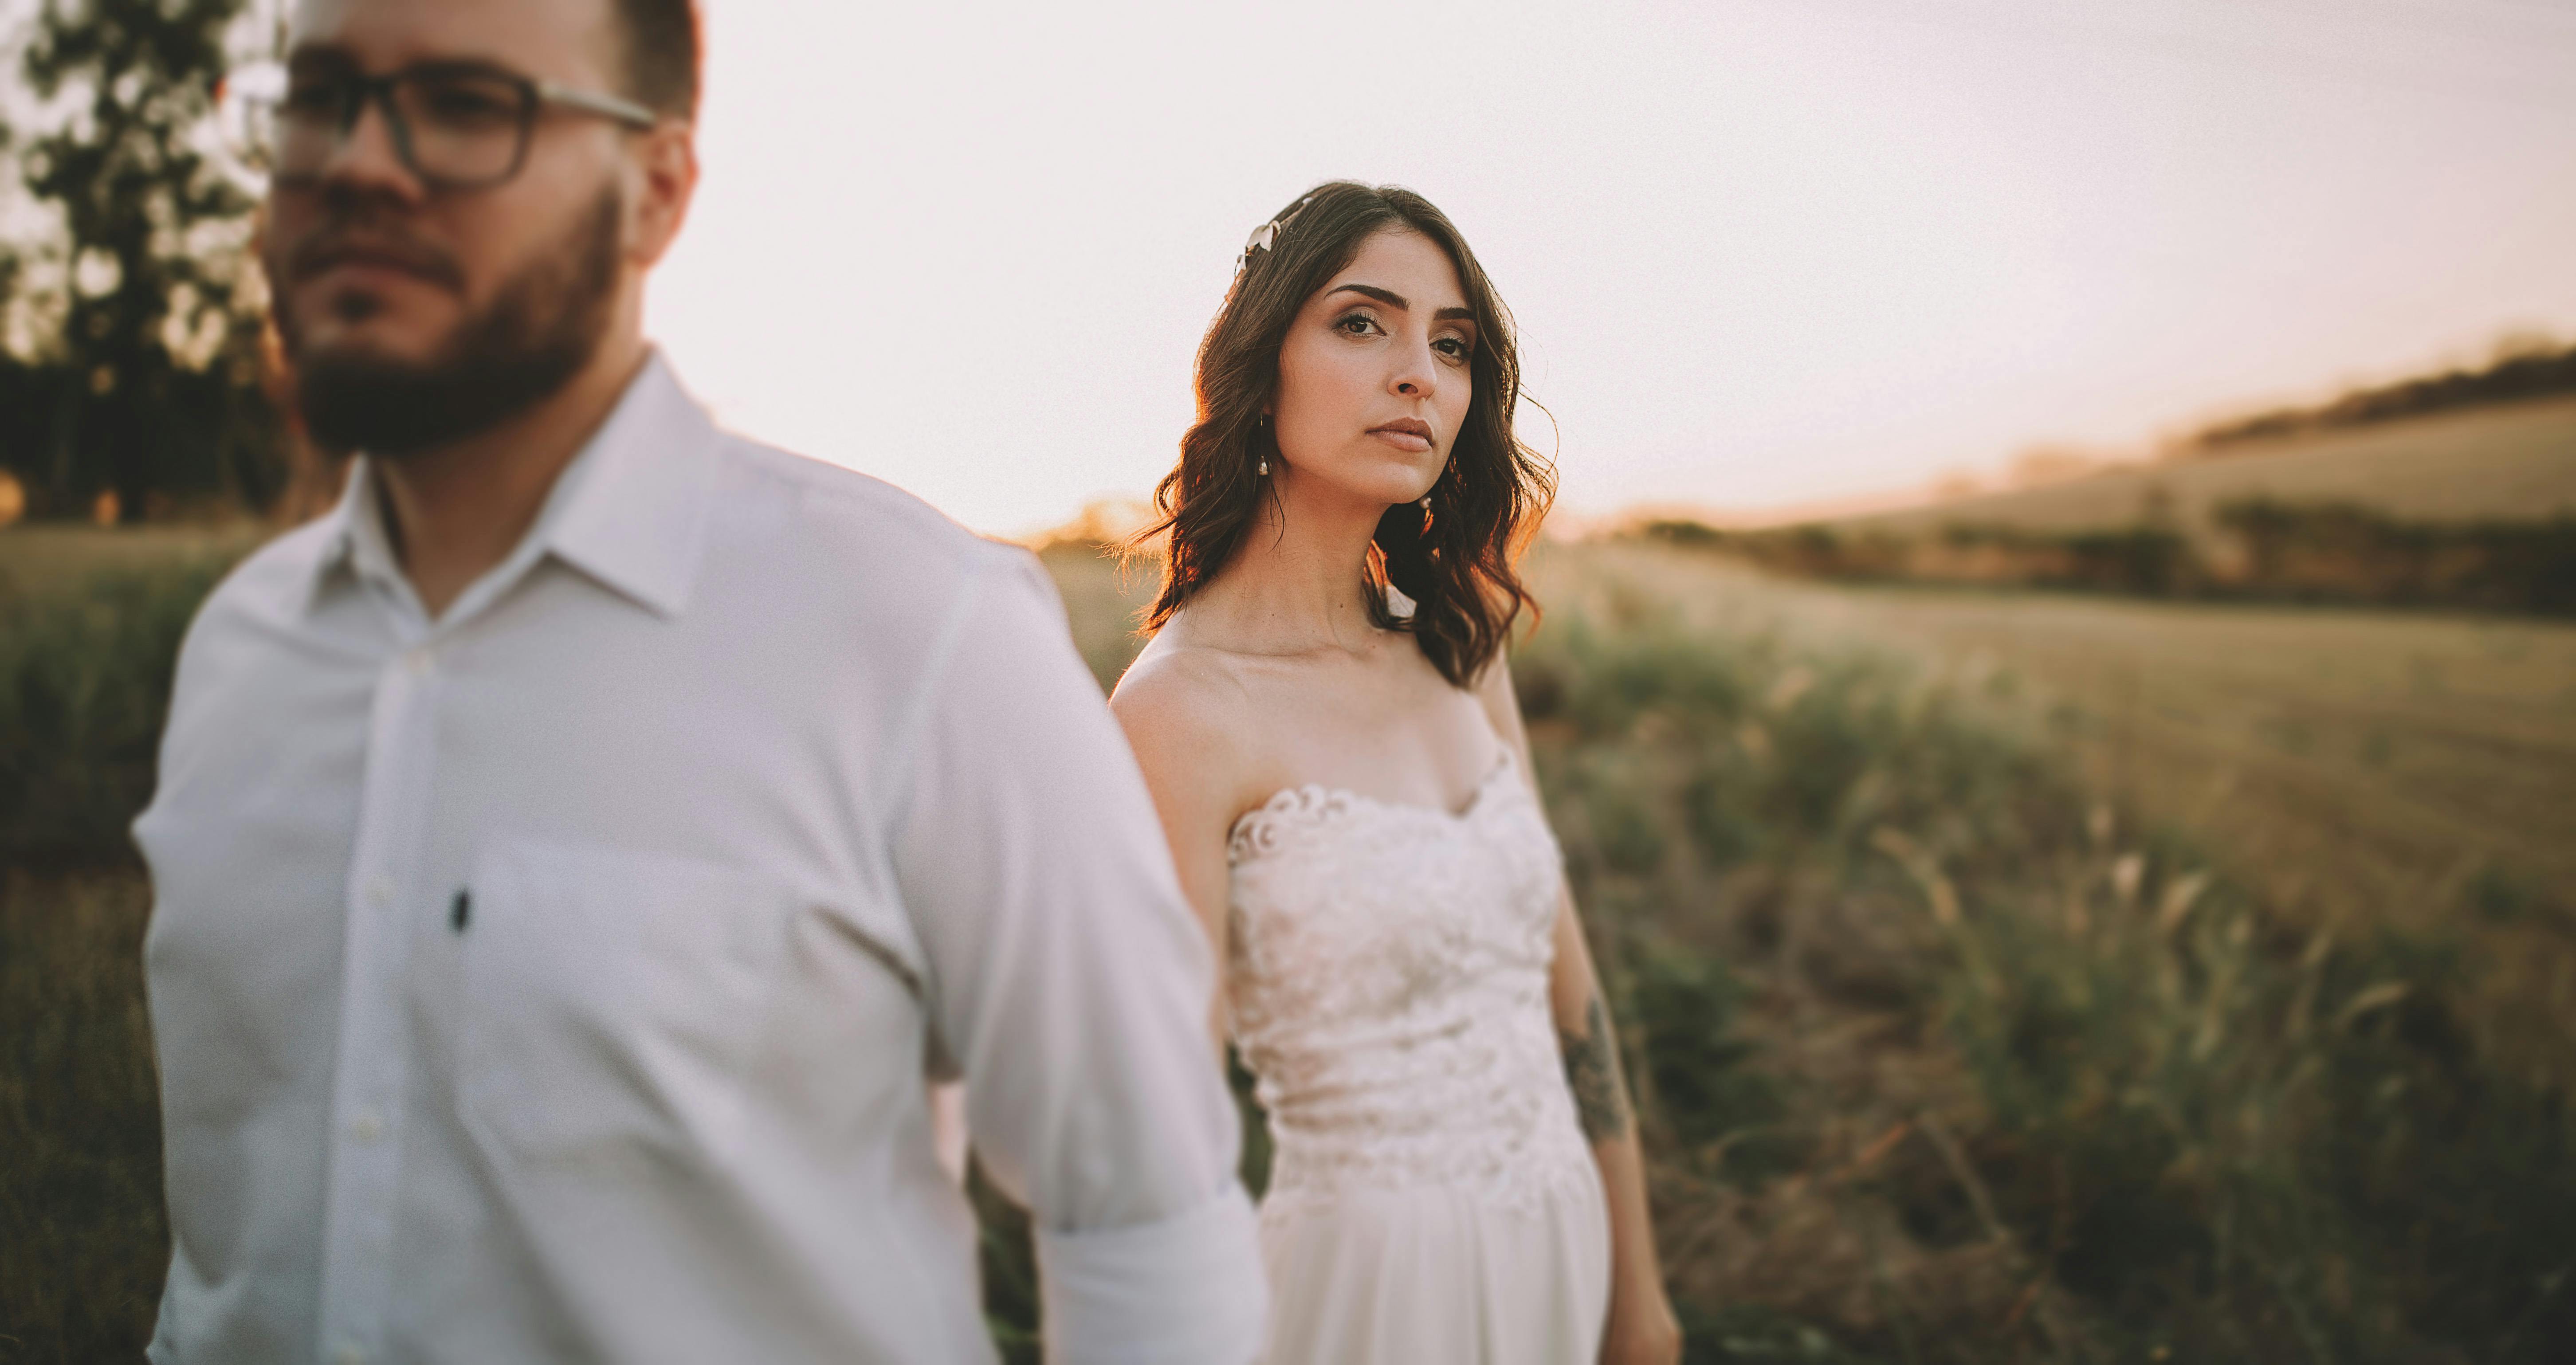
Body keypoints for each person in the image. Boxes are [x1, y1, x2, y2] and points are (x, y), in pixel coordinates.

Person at [134, 0, 1264, 1360]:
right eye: (318, 97)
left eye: (468, 105)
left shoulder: (918, 635)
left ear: (655, 193)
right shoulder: (240, 653)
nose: (360, 164)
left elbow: (1146, 1224)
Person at [1110, 181, 1685, 1365]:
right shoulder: (1181, 711)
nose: (1419, 371)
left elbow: (1569, 999)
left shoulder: (1456, 643)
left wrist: (1638, 1291)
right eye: (1363, 323)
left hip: (1565, 1249)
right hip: (1376, 1295)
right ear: (1259, 360)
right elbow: (1166, 1131)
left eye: (1453, 343)